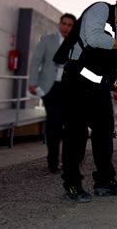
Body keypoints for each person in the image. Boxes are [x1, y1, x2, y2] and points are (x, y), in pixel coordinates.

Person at [54, 0, 117, 203]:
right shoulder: (100, 9)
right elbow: (94, 38)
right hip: (76, 83)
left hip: (99, 88)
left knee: (105, 135)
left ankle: (104, 181)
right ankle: (72, 184)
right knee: (76, 136)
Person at [29, 13, 76, 173]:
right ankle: (53, 162)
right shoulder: (47, 40)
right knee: (54, 124)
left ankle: (68, 162)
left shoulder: (76, 44)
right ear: (59, 24)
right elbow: (35, 62)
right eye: (64, 24)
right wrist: (33, 83)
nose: (66, 27)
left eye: (70, 25)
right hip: (50, 88)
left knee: (69, 125)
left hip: (69, 88)